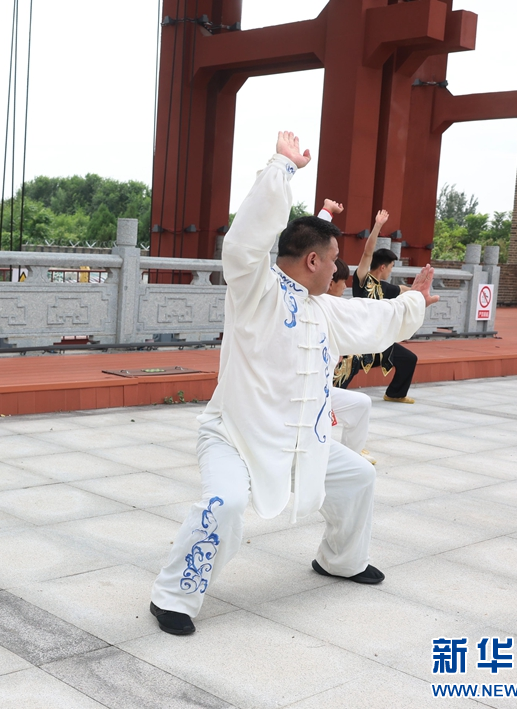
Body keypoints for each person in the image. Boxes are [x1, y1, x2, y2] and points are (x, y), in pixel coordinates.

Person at [149, 132, 438, 636]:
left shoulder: (324, 309)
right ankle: (173, 595)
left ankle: (340, 561)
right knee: (227, 505)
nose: (336, 269)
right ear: (311, 262)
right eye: (331, 260)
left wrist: (413, 303)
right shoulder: (255, 292)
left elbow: (374, 318)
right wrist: (281, 168)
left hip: (303, 441)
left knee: (358, 478)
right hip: (234, 437)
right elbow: (245, 243)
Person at [335, 209, 419, 403]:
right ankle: (324, 396)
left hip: (378, 342)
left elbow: (405, 290)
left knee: (408, 359)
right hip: (359, 341)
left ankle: (395, 393)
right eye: (391, 267)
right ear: (383, 267)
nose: (391, 271)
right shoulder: (363, 280)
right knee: (344, 373)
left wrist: (420, 292)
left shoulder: (385, 288)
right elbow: (367, 252)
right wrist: (378, 226)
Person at [327, 257, 377, 465]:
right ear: (330, 282)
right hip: (298, 394)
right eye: (342, 281)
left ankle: (350, 458)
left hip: (322, 389)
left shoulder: (336, 307)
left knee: (360, 403)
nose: (346, 286)